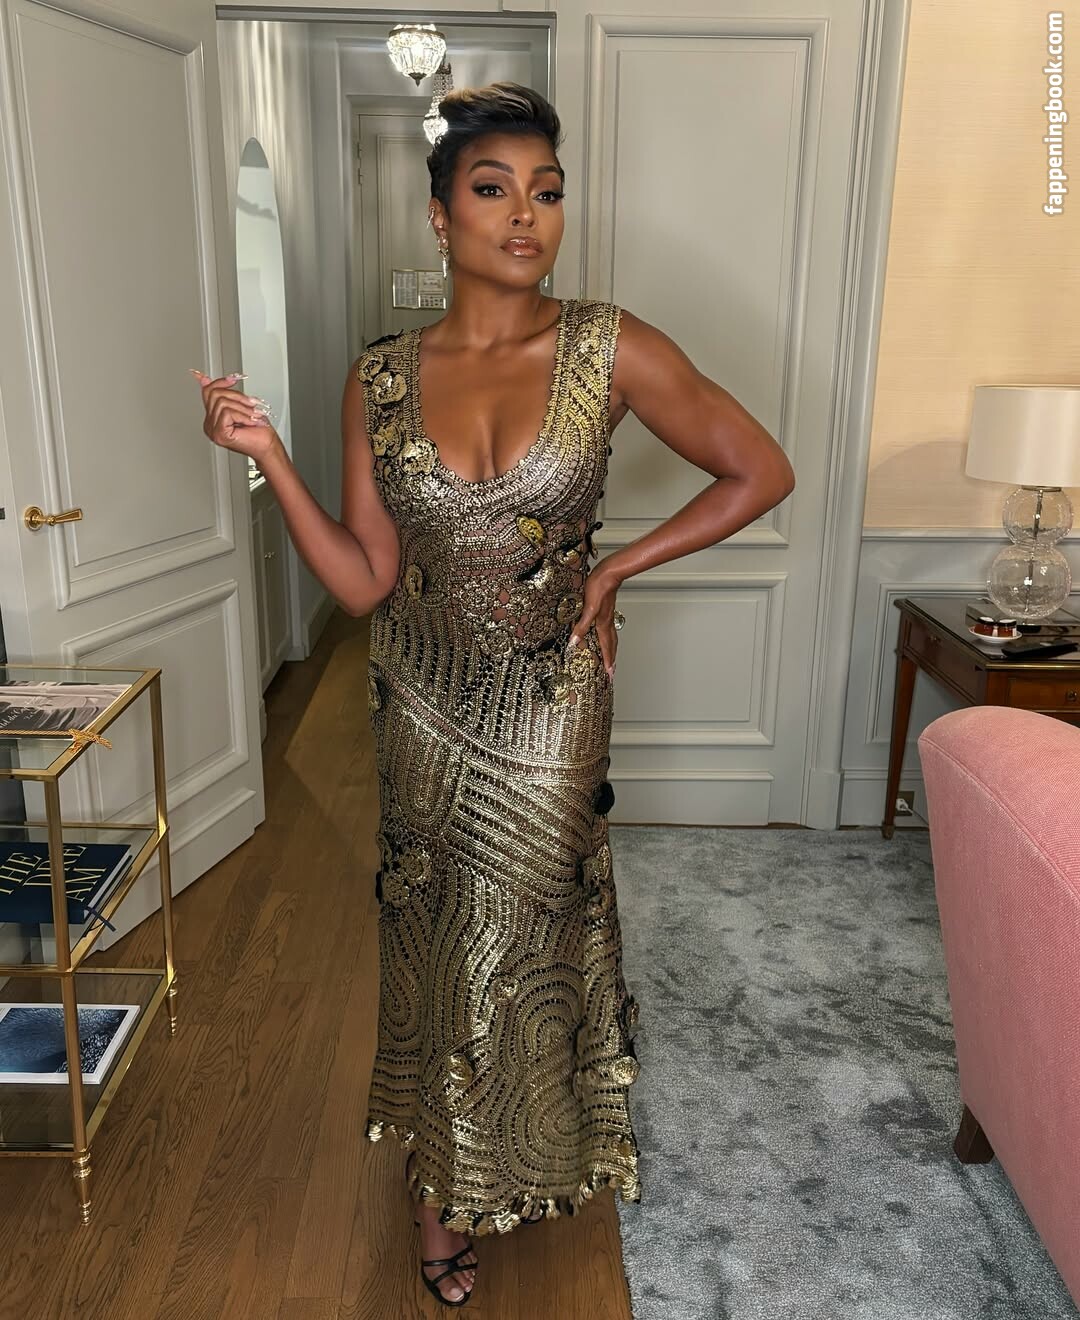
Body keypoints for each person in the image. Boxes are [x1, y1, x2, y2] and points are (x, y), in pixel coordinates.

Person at [193, 80, 794, 1308]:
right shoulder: (380, 379)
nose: (526, 214)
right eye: (493, 188)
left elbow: (759, 469)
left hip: (552, 703)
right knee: (436, 941)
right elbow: (364, 581)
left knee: (519, 939)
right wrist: (270, 459)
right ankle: (447, 1187)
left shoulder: (611, 346)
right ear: (440, 215)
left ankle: (511, 1161)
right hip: (418, 704)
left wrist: (617, 566)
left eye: (547, 191)